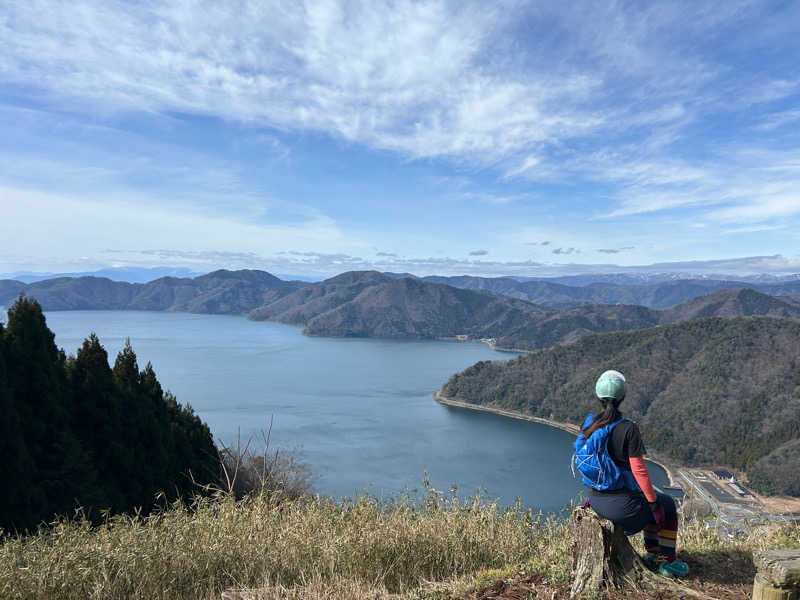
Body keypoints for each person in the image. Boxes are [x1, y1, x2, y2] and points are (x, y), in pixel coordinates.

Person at [575, 370, 690, 578]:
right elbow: (639, 470)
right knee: (666, 505)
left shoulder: (591, 422)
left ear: (598, 396)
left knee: (652, 503)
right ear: (623, 397)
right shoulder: (628, 428)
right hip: (622, 507)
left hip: (596, 499)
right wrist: (653, 503)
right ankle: (666, 561)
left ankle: (654, 554)